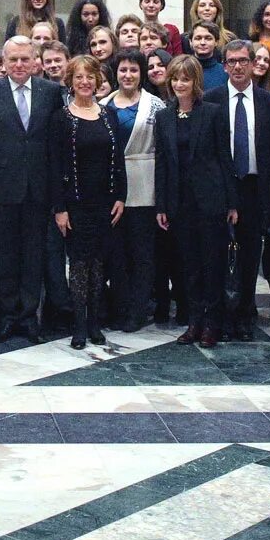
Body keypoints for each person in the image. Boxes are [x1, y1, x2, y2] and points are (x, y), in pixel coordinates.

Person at [0, 35, 61, 342]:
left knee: (34, 255)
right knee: (5, 255)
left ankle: (29, 317)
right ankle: (8, 316)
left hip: (39, 189)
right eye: (13, 60)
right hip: (2, 189)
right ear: (4, 62)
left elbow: (55, 146)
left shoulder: (51, 93)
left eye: (25, 59)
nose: (20, 65)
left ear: (35, 60)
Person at [155, 54, 232, 347]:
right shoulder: (164, 116)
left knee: (213, 264)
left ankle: (213, 324)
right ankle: (194, 322)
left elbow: (225, 158)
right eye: (175, 78)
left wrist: (232, 203)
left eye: (185, 78)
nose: (179, 84)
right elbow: (161, 163)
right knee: (189, 266)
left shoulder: (212, 112)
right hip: (179, 202)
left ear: (195, 81)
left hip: (211, 199)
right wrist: (161, 205)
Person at [207, 40, 270, 339]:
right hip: (221, 188)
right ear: (224, 65)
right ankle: (222, 315)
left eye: (243, 61)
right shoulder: (211, 100)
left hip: (254, 188)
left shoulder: (269, 103)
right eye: (231, 61)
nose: (237, 66)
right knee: (219, 254)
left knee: (251, 255)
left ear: (253, 64)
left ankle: (245, 314)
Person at [50, 56, 126, 348]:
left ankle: (95, 322)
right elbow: (55, 166)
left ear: (98, 81)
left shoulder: (109, 115)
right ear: (71, 81)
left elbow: (117, 159)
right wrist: (60, 208)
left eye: (90, 77)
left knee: (99, 264)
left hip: (105, 202)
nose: (85, 82)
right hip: (75, 204)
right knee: (80, 265)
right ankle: (79, 326)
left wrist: (121, 195)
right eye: (79, 77)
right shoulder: (61, 118)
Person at [104, 50, 165, 331]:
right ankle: (119, 307)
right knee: (116, 252)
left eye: (133, 70)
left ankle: (138, 310)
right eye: (123, 70)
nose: (127, 75)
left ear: (142, 74)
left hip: (144, 183)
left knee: (142, 252)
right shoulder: (102, 104)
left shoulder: (156, 106)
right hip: (111, 186)